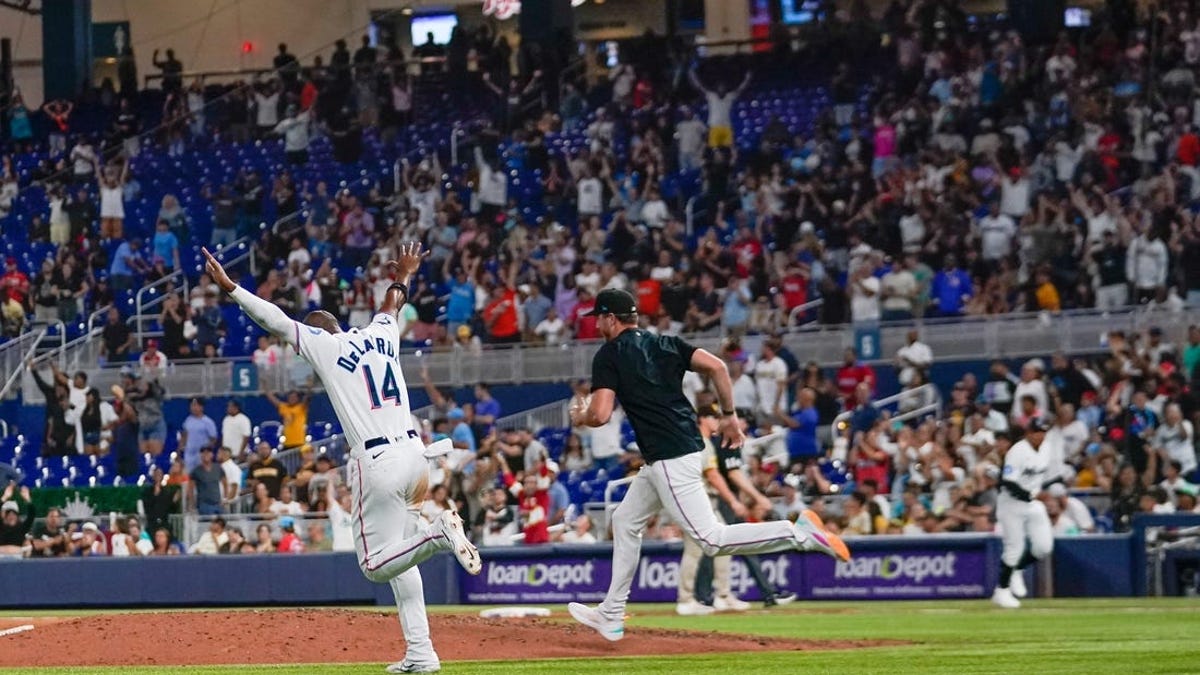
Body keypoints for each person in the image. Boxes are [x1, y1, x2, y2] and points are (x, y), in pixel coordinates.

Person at [202, 242, 479, 674]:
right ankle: (421, 653)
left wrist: (232, 287)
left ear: (316, 332)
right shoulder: (380, 333)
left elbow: (274, 319)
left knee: (373, 564)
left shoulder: (322, 347)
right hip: (415, 454)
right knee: (400, 556)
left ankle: (440, 535)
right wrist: (405, 272)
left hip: (379, 461)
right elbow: (393, 301)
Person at [567, 289, 849, 641]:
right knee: (624, 520)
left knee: (712, 540)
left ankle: (799, 533)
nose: (597, 324)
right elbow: (717, 366)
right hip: (672, 453)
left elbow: (601, 413)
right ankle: (611, 612)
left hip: (669, 455)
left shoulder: (609, 354)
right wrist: (728, 416)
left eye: (599, 317)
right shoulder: (664, 343)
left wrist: (580, 416)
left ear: (611, 318)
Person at [991, 417, 1056, 610]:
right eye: (1037, 432)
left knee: (1044, 547)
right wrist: (1034, 494)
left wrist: (1039, 494)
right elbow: (1008, 482)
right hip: (1011, 504)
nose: (1041, 436)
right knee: (1014, 548)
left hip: (1033, 503)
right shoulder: (1017, 451)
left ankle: (1018, 569)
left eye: (1043, 432)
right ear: (1029, 433)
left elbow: (1042, 475)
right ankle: (1001, 591)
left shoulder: (1047, 447)